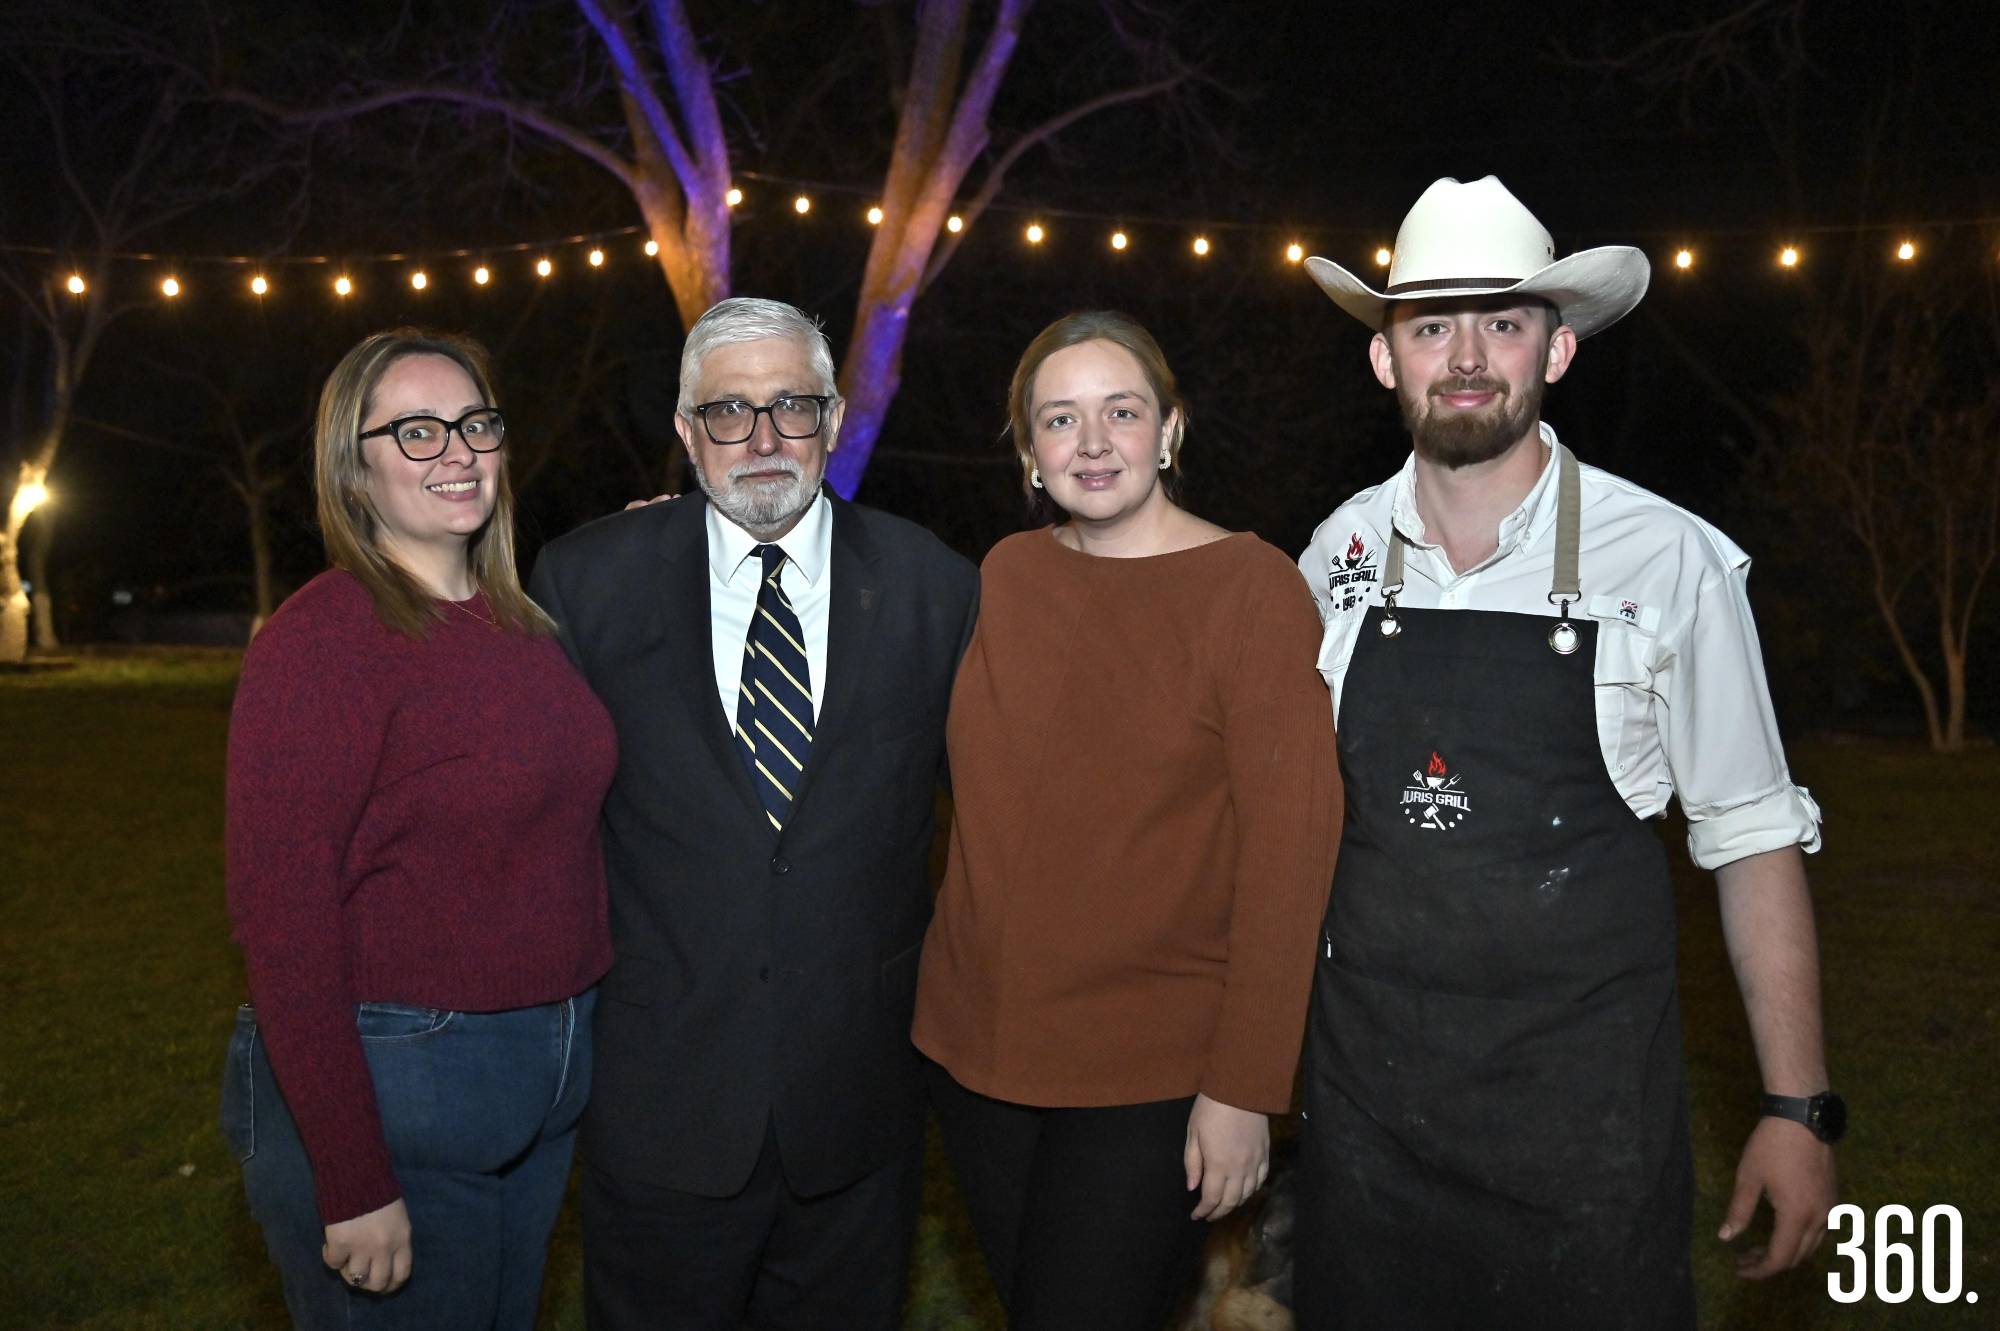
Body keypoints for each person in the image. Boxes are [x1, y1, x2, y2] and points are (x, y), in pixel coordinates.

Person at [1292, 176, 1839, 1328]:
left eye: (1501, 322)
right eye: (1430, 326)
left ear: (1556, 349)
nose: (1465, 358)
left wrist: (1795, 1106)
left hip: (1581, 1132)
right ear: (1384, 359)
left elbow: (1749, 836)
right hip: (1365, 1123)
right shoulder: (1331, 555)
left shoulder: (1667, 560)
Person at [528, 296, 979, 1330]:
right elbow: (531, 826)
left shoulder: (934, 585)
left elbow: (1010, 818)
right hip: (661, 1098)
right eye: (729, 411)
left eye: (792, 405)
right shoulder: (587, 581)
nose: (764, 437)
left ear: (834, 418)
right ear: (687, 433)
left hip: (857, 1102)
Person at [912, 310, 1342, 1329]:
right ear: (1029, 450)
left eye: (1121, 411)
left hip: (1152, 1071)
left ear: (1169, 430)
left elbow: (1291, 854)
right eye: (1060, 419)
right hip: (976, 1056)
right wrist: (689, 537)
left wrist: (1245, 1087)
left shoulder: (1252, 587)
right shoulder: (1003, 577)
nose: (1093, 441)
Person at [221, 328, 615, 1330]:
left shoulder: (522, 627)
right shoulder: (324, 640)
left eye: (476, 424)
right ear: (353, 467)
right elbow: (283, 921)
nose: (457, 451)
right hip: (399, 1094)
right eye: (416, 430)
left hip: (540, 1086)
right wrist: (352, 1175)